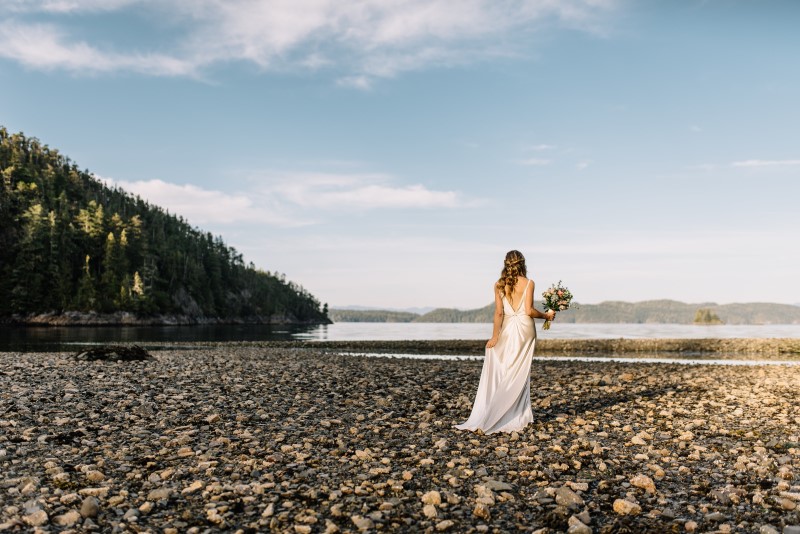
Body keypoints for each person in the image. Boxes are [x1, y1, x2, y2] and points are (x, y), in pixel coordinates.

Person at [455, 250, 555, 434]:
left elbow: (499, 313)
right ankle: (515, 412)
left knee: (505, 367)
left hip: (508, 328)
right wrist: (547, 315)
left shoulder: (499, 285)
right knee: (520, 370)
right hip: (525, 330)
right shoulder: (529, 283)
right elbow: (529, 311)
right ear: (523, 263)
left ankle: (503, 409)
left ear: (505, 263)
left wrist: (495, 336)